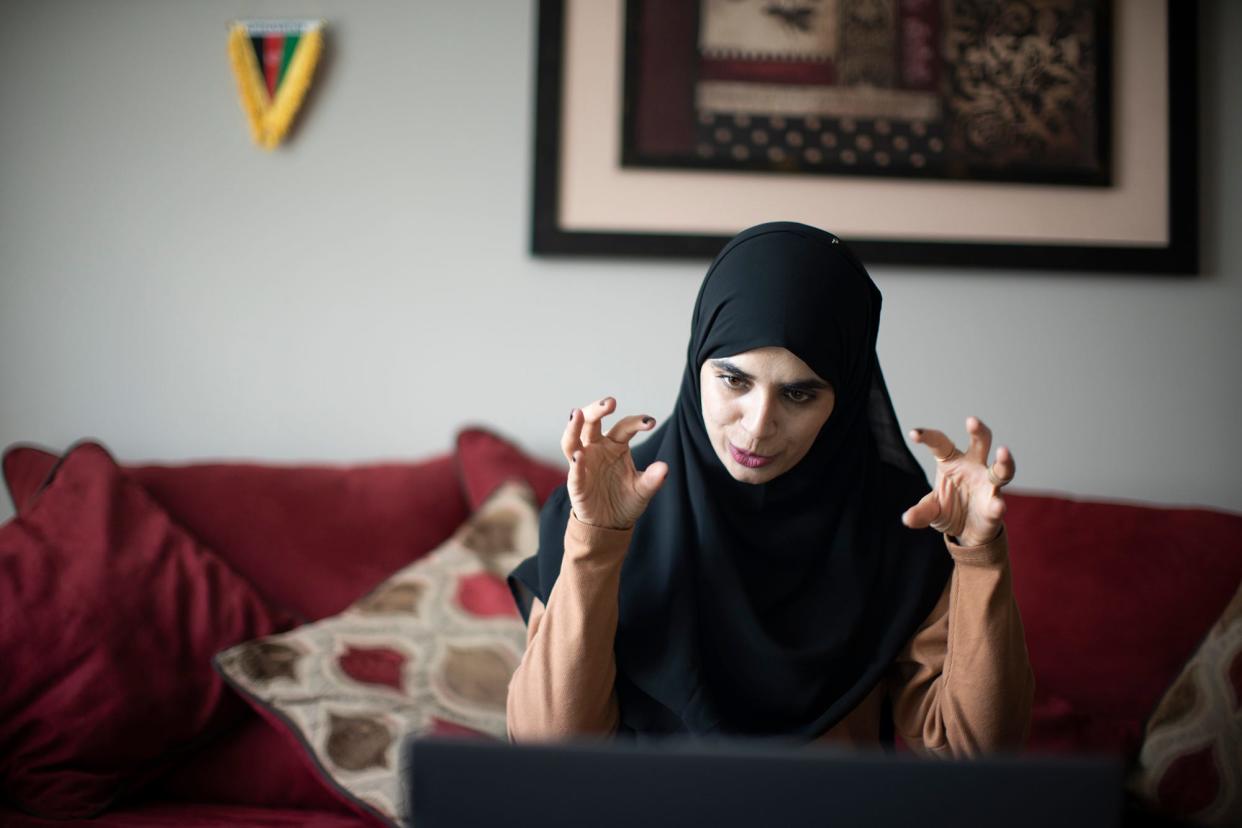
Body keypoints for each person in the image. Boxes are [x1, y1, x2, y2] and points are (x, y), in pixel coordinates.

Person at [506, 222, 1034, 754]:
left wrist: (979, 558)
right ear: (697, 367)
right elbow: (549, 752)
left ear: (844, 400)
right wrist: (596, 540)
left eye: (799, 394)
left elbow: (975, 757)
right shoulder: (605, 504)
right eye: (735, 380)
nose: (759, 425)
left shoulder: (901, 523)